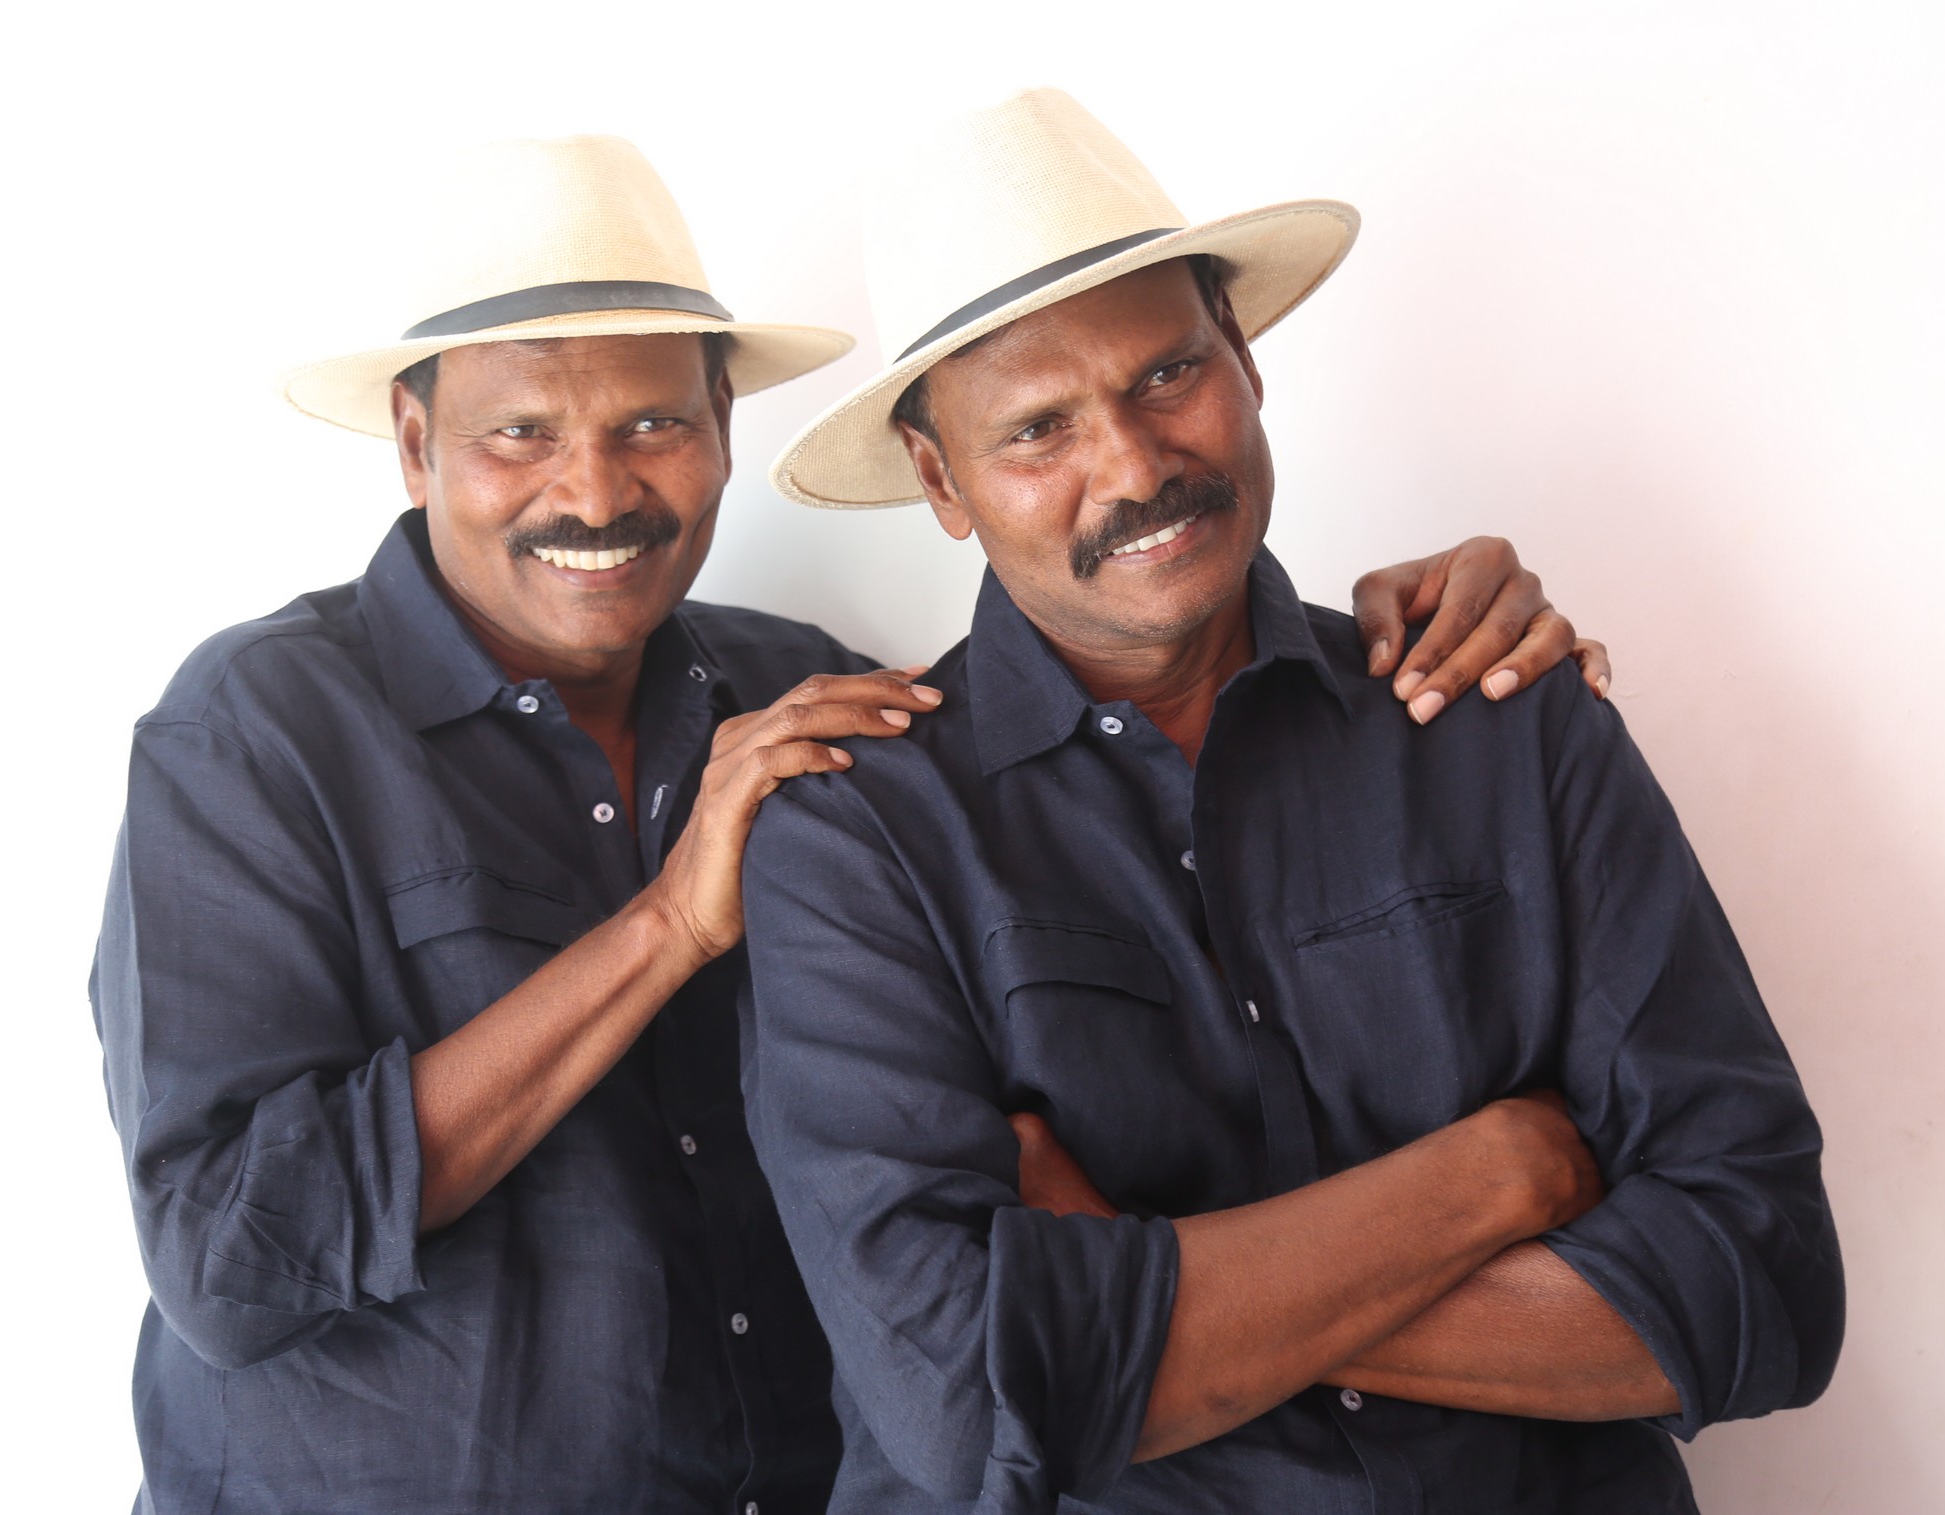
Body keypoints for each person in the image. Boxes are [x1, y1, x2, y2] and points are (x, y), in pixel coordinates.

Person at [92, 131, 1611, 1514]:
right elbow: (234, 1259)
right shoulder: (253, 737)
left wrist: (1439, 634)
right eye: (519, 436)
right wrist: (671, 927)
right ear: (415, 446)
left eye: (651, 424)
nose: (596, 490)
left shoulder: (805, 705)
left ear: (725, 430)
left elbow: (1140, 660)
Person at [739, 89, 1842, 1515]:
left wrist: (1149, 1281)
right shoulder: (856, 837)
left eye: (1166, 375)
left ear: (1244, 361)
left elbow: (1765, 1282)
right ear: (942, 483)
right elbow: (965, 1393)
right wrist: (1495, 1180)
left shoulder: (1504, 721)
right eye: (1037, 433)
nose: (1134, 468)